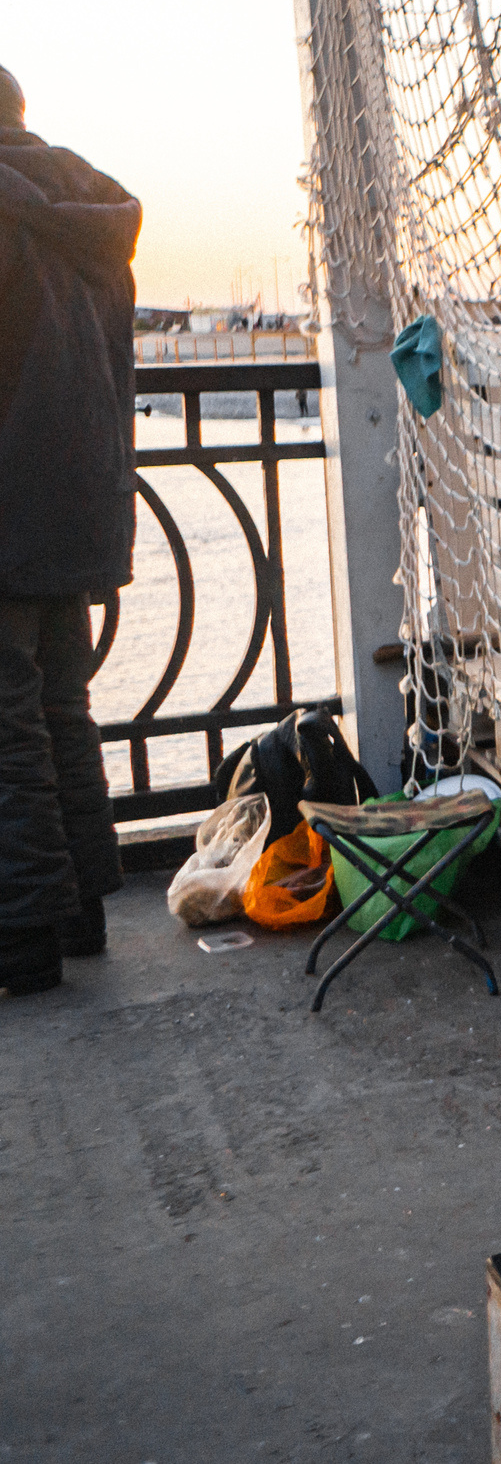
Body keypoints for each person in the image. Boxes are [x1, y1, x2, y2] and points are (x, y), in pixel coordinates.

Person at [0, 66, 139, 994]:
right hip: (79, 495)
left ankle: (22, 937)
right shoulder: (83, 205)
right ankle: (83, 907)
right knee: (60, 706)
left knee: (8, 722)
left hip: (9, 493)